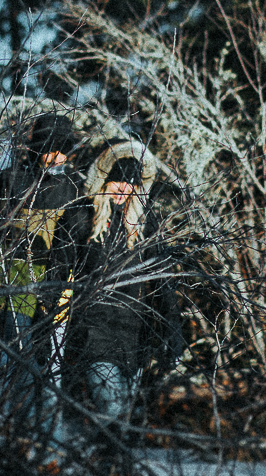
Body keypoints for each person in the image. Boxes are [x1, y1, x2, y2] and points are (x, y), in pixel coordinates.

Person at [50, 139, 184, 449]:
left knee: (125, 419)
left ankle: (104, 462)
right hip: (92, 330)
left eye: (131, 183)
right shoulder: (80, 216)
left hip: (133, 335)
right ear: (104, 180)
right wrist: (51, 321)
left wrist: (172, 330)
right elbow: (57, 273)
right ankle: (94, 456)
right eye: (117, 181)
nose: (124, 189)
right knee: (111, 408)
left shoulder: (145, 223)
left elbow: (163, 281)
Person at [0, 113, 85, 343]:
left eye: (63, 150)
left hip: (59, 286)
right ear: (36, 149)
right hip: (17, 282)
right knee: (18, 349)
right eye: (50, 150)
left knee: (48, 354)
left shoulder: (76, 186)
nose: (57, 158)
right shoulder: (10, 179)